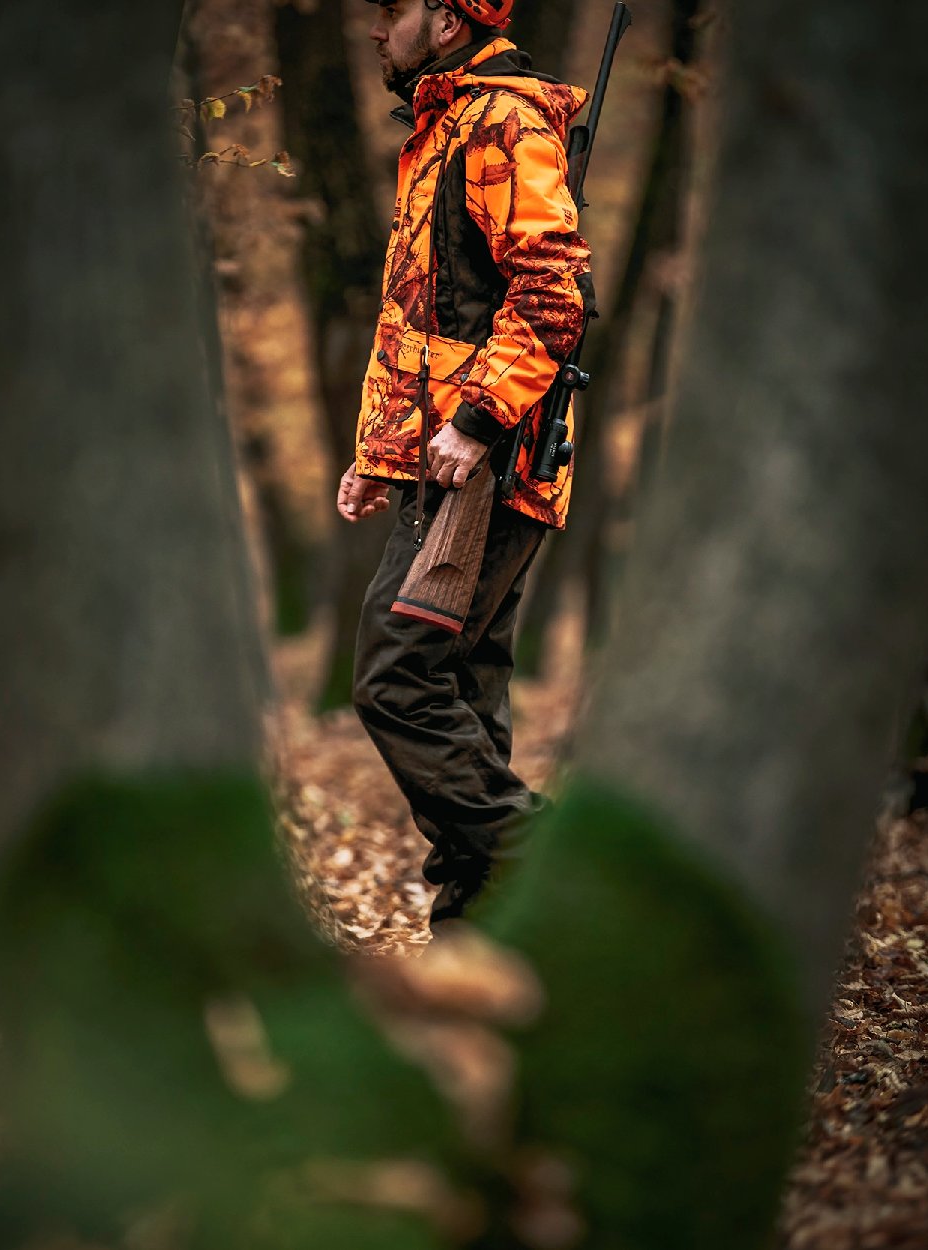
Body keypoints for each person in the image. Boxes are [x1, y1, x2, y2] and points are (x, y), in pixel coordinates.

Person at [338, 0, 594, 929]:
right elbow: (422, 315)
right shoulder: (447, 124)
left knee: (396, 680)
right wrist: (379, 455)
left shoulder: (501, 118)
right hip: (447, 465)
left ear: (447, 21)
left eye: (392, 10)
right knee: (463, 700)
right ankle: (479, 949)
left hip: (482, 471)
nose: (375, 29)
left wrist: (479, 423)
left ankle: (561, 871)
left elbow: (553, 289)